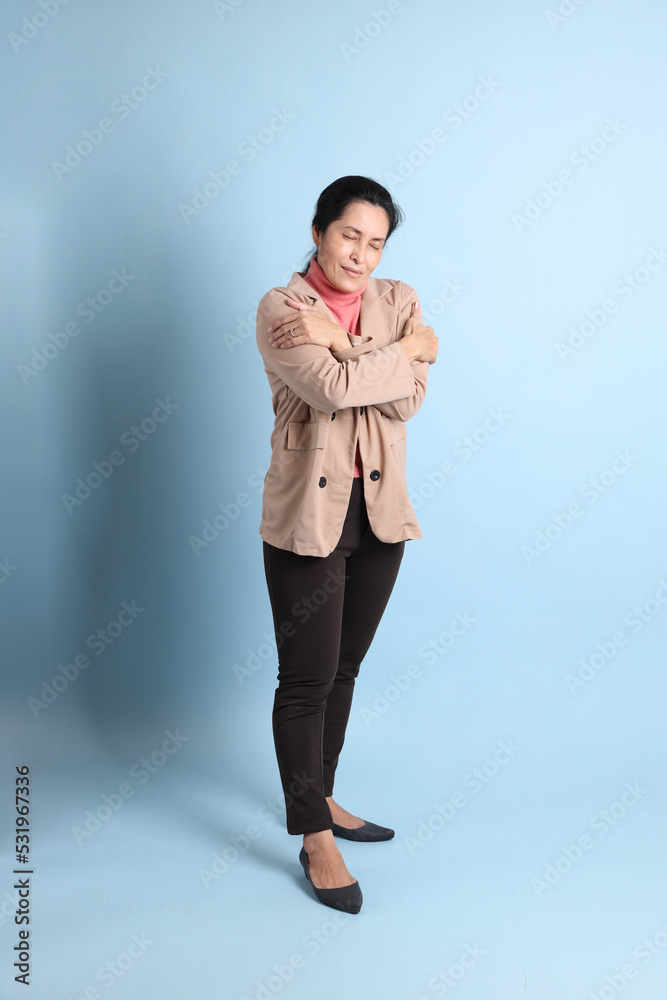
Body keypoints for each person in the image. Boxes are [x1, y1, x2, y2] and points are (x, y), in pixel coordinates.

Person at [255, 175, 438, 912]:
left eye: (376, 243)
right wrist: (403, 350)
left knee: (345, 670)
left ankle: (323, 795)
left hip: (380, 515)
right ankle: (312, 834)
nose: (360, 255)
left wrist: (349, 345)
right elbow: (330, 390)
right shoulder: (282, 308)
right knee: (306, 681)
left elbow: (408, 398)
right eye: (348, 236)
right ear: (318, 232)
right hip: (308, 516)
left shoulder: (399, 299)